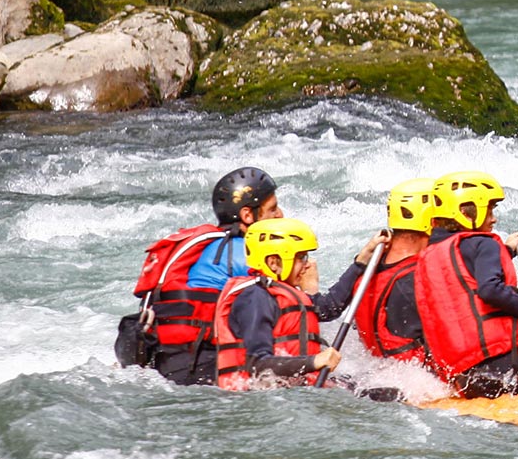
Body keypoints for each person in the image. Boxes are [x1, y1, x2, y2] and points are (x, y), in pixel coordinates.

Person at [131, 166, 284, 386]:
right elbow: (297, 304)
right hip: (200, 369)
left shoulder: (211, 246)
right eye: (273, 209)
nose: (280, 215)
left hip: (164, 363)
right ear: (248, 215)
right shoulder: (243, 253)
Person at [412, 171, 518, 398]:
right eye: (489, 210)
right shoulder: (484, 244)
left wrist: (507, 250)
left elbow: (465, 280)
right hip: (506, 362)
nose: (493, 219)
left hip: (463, 374)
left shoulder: (429, 253)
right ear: (465, 212)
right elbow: (489, 289)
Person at [210, 218, 349, 390]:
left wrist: (360, 264)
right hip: (256, 400)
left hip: (292, 392)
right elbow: (257, 365)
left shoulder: (278, 294)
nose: (308, 265)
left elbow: (327, 308)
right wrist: (313, 361)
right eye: (300, 258)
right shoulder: (254, 298)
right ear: (273, 263)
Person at [349, 178, 436, 362]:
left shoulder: (368, 267)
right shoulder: (415, 281)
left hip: (374, 372)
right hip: (416, 383)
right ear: (432, 221)